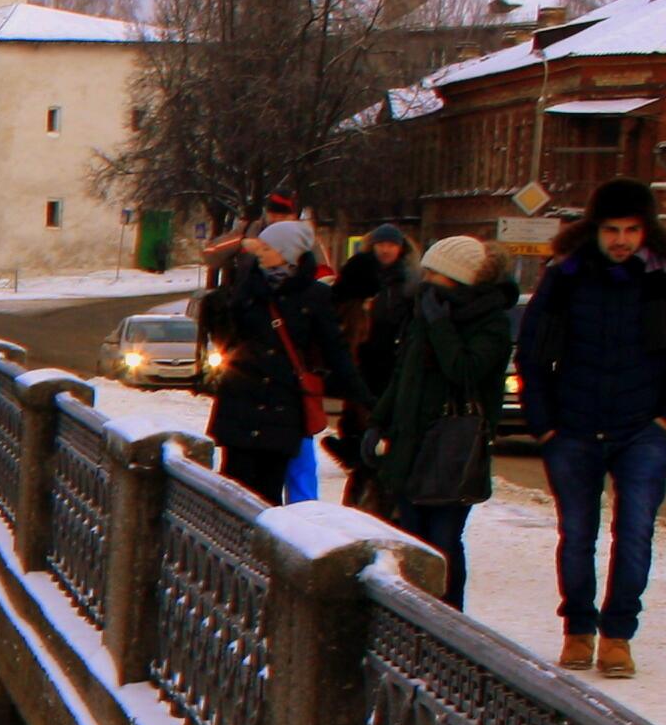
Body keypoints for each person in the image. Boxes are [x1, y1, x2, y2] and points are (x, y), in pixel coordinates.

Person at [516, 177, 666, 677]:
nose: (622, 240)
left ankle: (618, 636)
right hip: (573, 428)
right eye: (612, 230)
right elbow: (534, 354)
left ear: (647, 230)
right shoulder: (564, 277)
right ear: (595, 229)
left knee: (634, 534)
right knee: (577, 533)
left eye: (632, 229)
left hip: (641, 430)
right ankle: (578, 630)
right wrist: (544, 425)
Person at [359, 233, 519, 609]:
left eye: (434, 272)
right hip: (411, 442)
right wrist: (377, 423)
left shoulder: (490, 323)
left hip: (456, 447)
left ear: (458, 277)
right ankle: (413, 617)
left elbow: (464, 371)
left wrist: (440, 327)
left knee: (444, 541)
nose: (425, 278)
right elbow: (403, 377)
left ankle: (448, 620)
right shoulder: (424, 311)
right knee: (410, 538)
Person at [198, 218, 345, 503]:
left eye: (267, 249)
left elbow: (334, 352)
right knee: (233, 497)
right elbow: (227, 334)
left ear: (288, 252)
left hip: (284, 410)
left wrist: (361, 400)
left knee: (272, 494)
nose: (260, 254)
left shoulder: (314, 296)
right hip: (241, 410)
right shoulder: (247, 288)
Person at [329, 222, 416, 501]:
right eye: (381, 244)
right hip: (363, 360)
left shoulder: (409, 280)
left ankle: (373, 483)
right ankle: (361, 471)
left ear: (400, 248)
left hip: (393, 360)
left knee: (382, 422)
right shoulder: (360, 275)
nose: (386, 250)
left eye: (391, 245)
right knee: (361, 417)